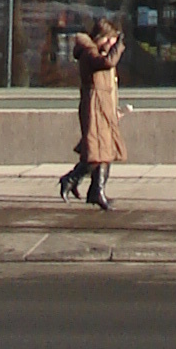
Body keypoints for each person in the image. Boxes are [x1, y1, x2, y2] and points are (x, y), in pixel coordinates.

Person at [60, 22, 124, 211]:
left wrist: (115, 111)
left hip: (104, 107)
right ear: (101, 38)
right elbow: (107, 63)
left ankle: (97, 190)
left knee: (106, 151)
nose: (112, 44)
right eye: (110, 39)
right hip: (94, 107)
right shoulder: (89, 53)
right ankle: (70, 180)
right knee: (94, 152)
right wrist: (119, 45)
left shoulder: (100, 54)